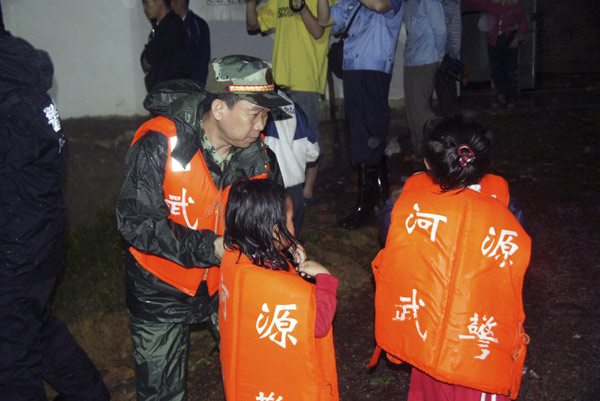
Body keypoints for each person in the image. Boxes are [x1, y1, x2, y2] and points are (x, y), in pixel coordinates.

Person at [116, 55, 289, 401]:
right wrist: (209, 247)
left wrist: (285, 244)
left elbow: (274, 217)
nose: (262, 125)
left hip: (223, 281)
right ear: (220, 109)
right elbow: (136, 223)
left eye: (266, 114)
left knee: (257, 374)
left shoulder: (256, 156)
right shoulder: (158, 144)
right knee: (161, 393)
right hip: (159, 286)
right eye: (254, 113)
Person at [369, 116, 531, 400]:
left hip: (427, 335)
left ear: (429, 165)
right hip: (478, 341)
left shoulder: (407, 206)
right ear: (483, 163)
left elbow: (389, 237)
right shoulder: (504, 208)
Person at [0, 31, 110, 401]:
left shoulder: (9, 96)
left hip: (17, 245)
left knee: (10, 358)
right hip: (38, 233)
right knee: (33, 324)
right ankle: (89, 395)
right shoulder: (21, 75)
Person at [219, 179, 339, 401]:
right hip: (282, 384)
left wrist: (286, 249)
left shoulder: (234, 259)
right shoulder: (277, 285)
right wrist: (325, 279)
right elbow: (319, 323)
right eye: (290, 221)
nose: (294, 228)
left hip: (250, 376)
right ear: (273, 230)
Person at [316, 0, 404, 229]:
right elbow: (324, 20)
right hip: (353, 69)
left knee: (368, 133)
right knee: (362, 134)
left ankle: (366, 208)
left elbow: (378, 5)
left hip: (373, 69)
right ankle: (379, 200)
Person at [246, 0, 332, 204]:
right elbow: (253, 25)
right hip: (280, 79)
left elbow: (318, 31)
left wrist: (301, 6)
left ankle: (307, 190)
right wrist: (250, 4)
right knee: (280, 137)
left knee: (308, 136)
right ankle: (283, 185)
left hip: (306, 79)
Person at [264, 89, 320, 235]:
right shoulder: (293, 107)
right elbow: (313, 151)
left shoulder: (255, 107)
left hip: (266, 185)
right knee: (291, 230)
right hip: (294, 187)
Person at [462, 0, 528, 108]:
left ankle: (513, 97)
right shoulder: (491, 4)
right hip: (494, 40)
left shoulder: (516, 5)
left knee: (511, 69)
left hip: (510, 39)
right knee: (496, 69)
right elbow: (475, 3)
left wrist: (518, 37)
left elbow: (523, 21)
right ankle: (501, 94)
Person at [403, 0, 447, 160]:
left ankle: (435, 151)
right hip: (411, 60)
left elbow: (440, 30)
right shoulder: (408, 4)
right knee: (412, 109)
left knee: (420, 109)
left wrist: (439, 56)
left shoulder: (429, 1)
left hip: (426, 59)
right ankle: (419, 150)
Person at [140, 0, 188, 92]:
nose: (145, 9)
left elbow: (148, 61)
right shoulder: (161, 26)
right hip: (164, 92)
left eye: (146, 3)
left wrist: (147, 56)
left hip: (170, 93)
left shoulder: (171, 27)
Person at [171, 0, 211, 85]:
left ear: (179, 2)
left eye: (170, 2)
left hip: (191, 87)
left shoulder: (196, 25)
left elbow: (199, 62)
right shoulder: (170, 26)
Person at [434, 0, 462, 116]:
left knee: (446, 93)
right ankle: (450, 122)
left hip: (445, 56)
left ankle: (451, 124)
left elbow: (455, 33)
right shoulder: (432, 4)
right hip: (430, 56)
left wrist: (453, 56)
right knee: (443, 92)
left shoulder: (450, 5)